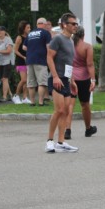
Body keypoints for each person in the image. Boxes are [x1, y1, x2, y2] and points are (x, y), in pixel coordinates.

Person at [45, 14, 80, 153]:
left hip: (66, 79)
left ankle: (61, 142)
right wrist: (55, 77)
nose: (75, 26)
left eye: (76, 24)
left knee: (66, 111)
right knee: (59, 110)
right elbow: (49, 57)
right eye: (73, 24)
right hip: (56, 78)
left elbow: (69, 63)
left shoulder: (71, 41)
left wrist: (72, 80)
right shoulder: (57, 39)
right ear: (65, 25)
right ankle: (49, 141)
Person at [70, 25, 97, 137]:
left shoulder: (69, 45)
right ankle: (88, 128)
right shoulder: (87, 47)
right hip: (83, 78)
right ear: (83, 35)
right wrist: (93, 80)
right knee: (85, 104)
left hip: (70, 77)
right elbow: (90, 64)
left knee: (70, 104)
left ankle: (67, 130)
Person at [25, 18, 52, 106]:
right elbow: (48, 46)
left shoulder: (30, 33)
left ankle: (32, 102)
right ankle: (40, 102)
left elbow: (24, 47)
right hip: (41, 60)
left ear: (37, 24)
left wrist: (32, 50)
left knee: (31, 83)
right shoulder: (46, 33)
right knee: (42, 83)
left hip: (29, 60)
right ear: (44, 24)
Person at [0, 25, 15, 102]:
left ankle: (4, 97)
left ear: (4, 32)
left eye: (1, 30)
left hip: (7, 61)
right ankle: (11, 95)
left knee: (5, 78)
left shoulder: (8, 40)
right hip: (0, 61)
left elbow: (9, 51)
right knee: (3, 79)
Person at [12, 21, 31, 103]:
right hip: (20, 61)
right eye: (27, 28)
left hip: (28, 61)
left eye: (30, 27)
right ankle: (16, 95)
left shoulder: (29, 37)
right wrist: (23, 57)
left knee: (27, 80)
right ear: (23, 29)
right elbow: (15, 50)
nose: (29, 29)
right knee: (23, 80)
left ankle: (25, 97)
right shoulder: (19, 38)